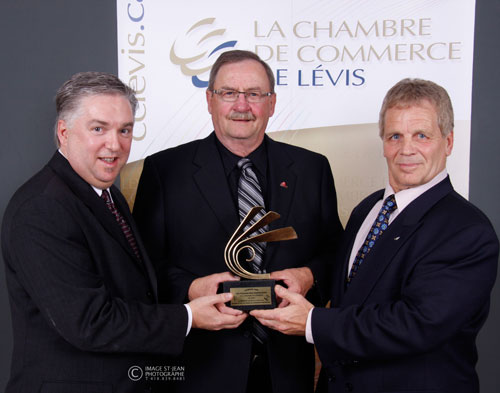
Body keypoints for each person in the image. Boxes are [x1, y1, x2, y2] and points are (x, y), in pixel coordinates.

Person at [1, 71, 246, 393]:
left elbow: (130, 290)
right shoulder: (42, 208)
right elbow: (90, 323)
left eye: (125, 130)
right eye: (98, 128)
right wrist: (188, 317)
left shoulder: (106, 193)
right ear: (64, 132)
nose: (115, 145)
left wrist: (192, 289)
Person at [251, 78, 499, 393]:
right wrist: (307, 276)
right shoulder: (367, 210)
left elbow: (417, 324)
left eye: (421, 135)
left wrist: (313, 323)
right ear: (382, 141)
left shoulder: (467, 231)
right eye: (395, 136)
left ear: (448, 142)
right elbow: (354, 297)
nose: (406, 149)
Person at [133, 50, 343, 393]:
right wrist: (190, 288)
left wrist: (309, 276)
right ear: (210, 100)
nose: (241, 105)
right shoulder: (164, 171)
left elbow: (337, 253)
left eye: (254, 94)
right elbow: (142, 266)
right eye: (229, 93)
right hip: (199, 368)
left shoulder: (312, 169)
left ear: (272, 103)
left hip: (286, 369)